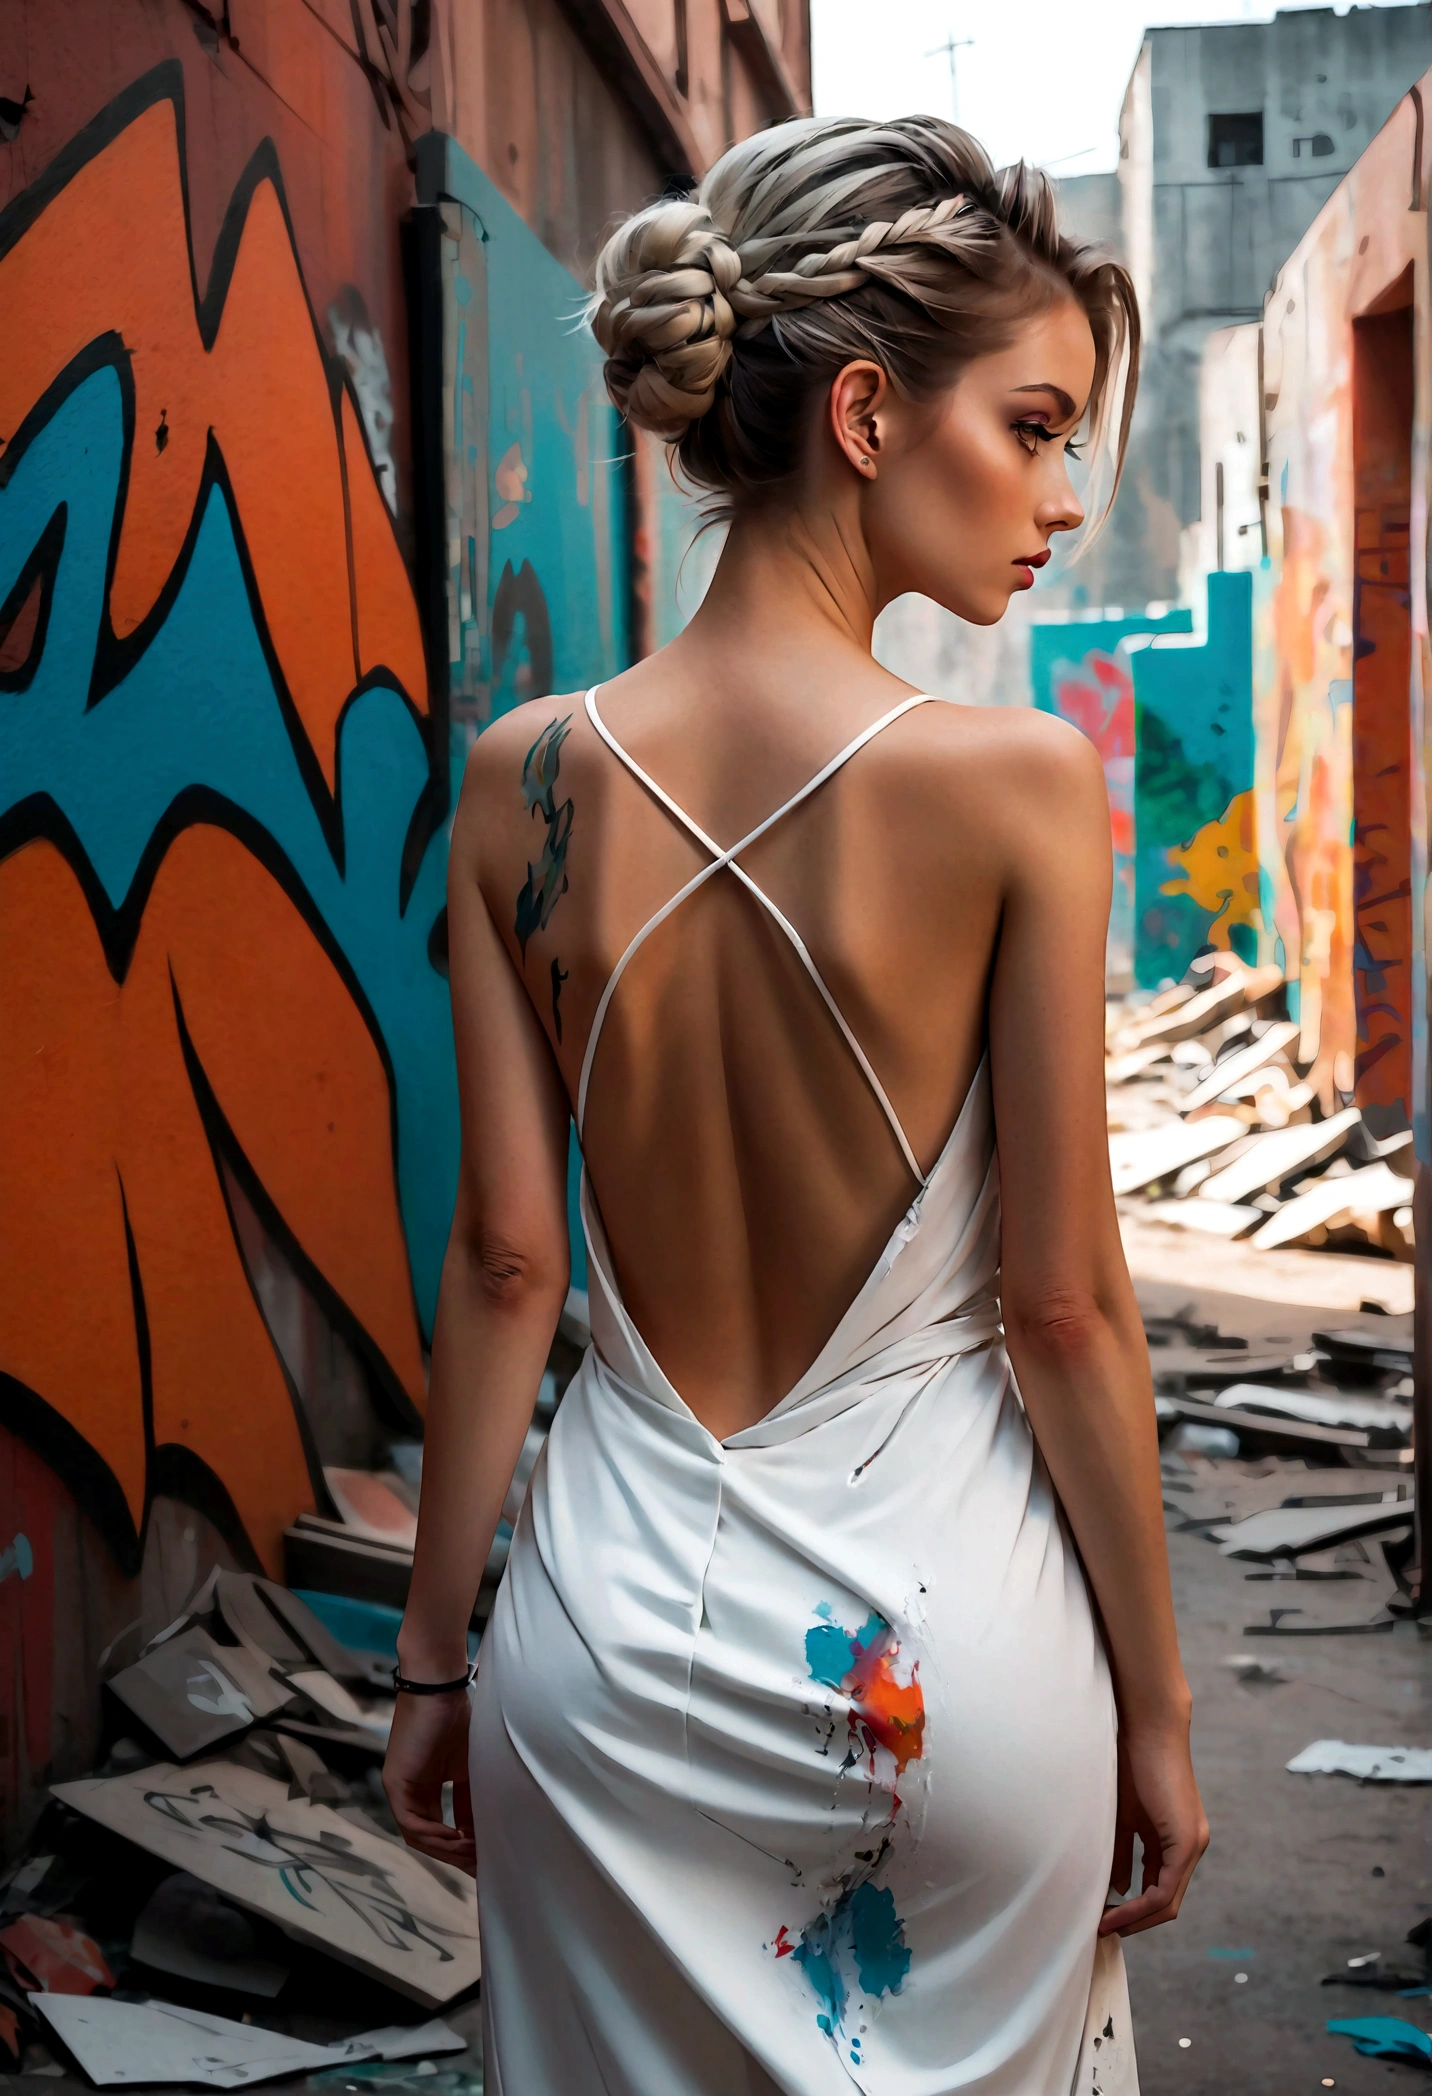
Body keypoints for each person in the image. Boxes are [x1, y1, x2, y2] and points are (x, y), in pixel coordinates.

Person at [383, 112, 1207, 2096]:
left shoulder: (519, 782)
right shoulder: (1008, 790)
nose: (1060, 498)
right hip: (942, 1677)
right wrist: (1159, 1718)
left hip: (602, 1670)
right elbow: (1063, 1305)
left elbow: (506, 1264)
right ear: (860, 409)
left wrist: (429, 1662)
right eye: (1027, 426)